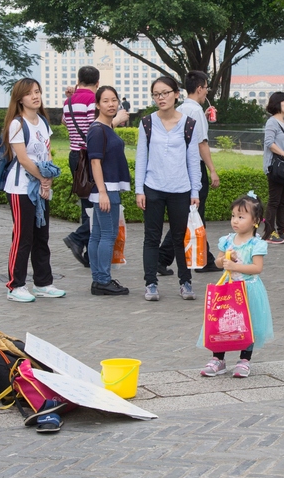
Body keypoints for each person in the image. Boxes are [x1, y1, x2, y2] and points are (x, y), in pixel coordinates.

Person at [136, 75, 202, 301]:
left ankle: (185, 282)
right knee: (151, 237)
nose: (161, 98)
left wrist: (195, 191)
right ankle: (151, 284)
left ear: (176, 94)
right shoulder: (146, 122)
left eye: (165, 93)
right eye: (156, 94)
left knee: (179, 237)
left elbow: (193, 159)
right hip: (153, 187)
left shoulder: (188, 124)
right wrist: (139, 190)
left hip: (180, 189)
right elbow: (141, 159)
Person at [1, 78, 65, 303]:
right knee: (22, 237)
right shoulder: (17, 124)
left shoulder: (43, 123)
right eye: (30, 93)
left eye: (37, 92)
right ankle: (15, 285)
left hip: (40, 187)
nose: (35, 96)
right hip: (21, 188)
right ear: (20, 98)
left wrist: (47, 180)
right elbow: (23, 158)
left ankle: (43, 283)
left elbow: (46, 154)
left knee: (41, 236)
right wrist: (42, 178)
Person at [199, 193, 275, 378]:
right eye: (234, 216)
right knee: (222, 323)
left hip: (248, 289)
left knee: (248, 324)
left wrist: (235, 265)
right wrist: (226, 259)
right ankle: (218, 359)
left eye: (241, 217)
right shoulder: (227, 240)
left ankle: (244, 360)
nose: (235, 220)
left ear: (255, 220)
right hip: (227, 289)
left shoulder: (256, 243)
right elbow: (217, 262)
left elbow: (257, 268)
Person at [158, 71, 221, 274]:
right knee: (190, 215)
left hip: (179, 168)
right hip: (194, 168)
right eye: (206, 88)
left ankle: (203, 258)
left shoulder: (182, 109)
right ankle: (164, 258)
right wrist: (212, 170)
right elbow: (202, 144)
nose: (206, 93)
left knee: (191, 215)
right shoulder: (194, 111)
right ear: (200, 88)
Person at [86, 86, 131, 296]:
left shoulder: (105, 127)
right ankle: (103, 280)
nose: (111, 104)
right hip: (106, 189)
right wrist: (102, 192)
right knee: (107, 234)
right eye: (105, 101)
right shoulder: (97, 129)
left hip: (107, 188)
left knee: (97, 234)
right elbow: (95, 162)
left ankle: (99, 279)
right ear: (97, 105)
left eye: (114, 100)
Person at [62, 66, 100, 268]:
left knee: (87, 206)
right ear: (97, 83)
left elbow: (65, 122)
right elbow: (94, 129)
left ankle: (88, 253)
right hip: (89, 157)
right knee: (99, 207)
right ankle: (77, 238)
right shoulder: (91, 101)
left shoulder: (67, 102)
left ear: (79, 80)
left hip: (74, 156)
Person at [262, 91, 284, 244]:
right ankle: (269, 232)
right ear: (277, 104)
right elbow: (269, 143)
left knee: (283, 201)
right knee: (274, 200)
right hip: (276, 167)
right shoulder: (272, 122)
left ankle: (282, 230)